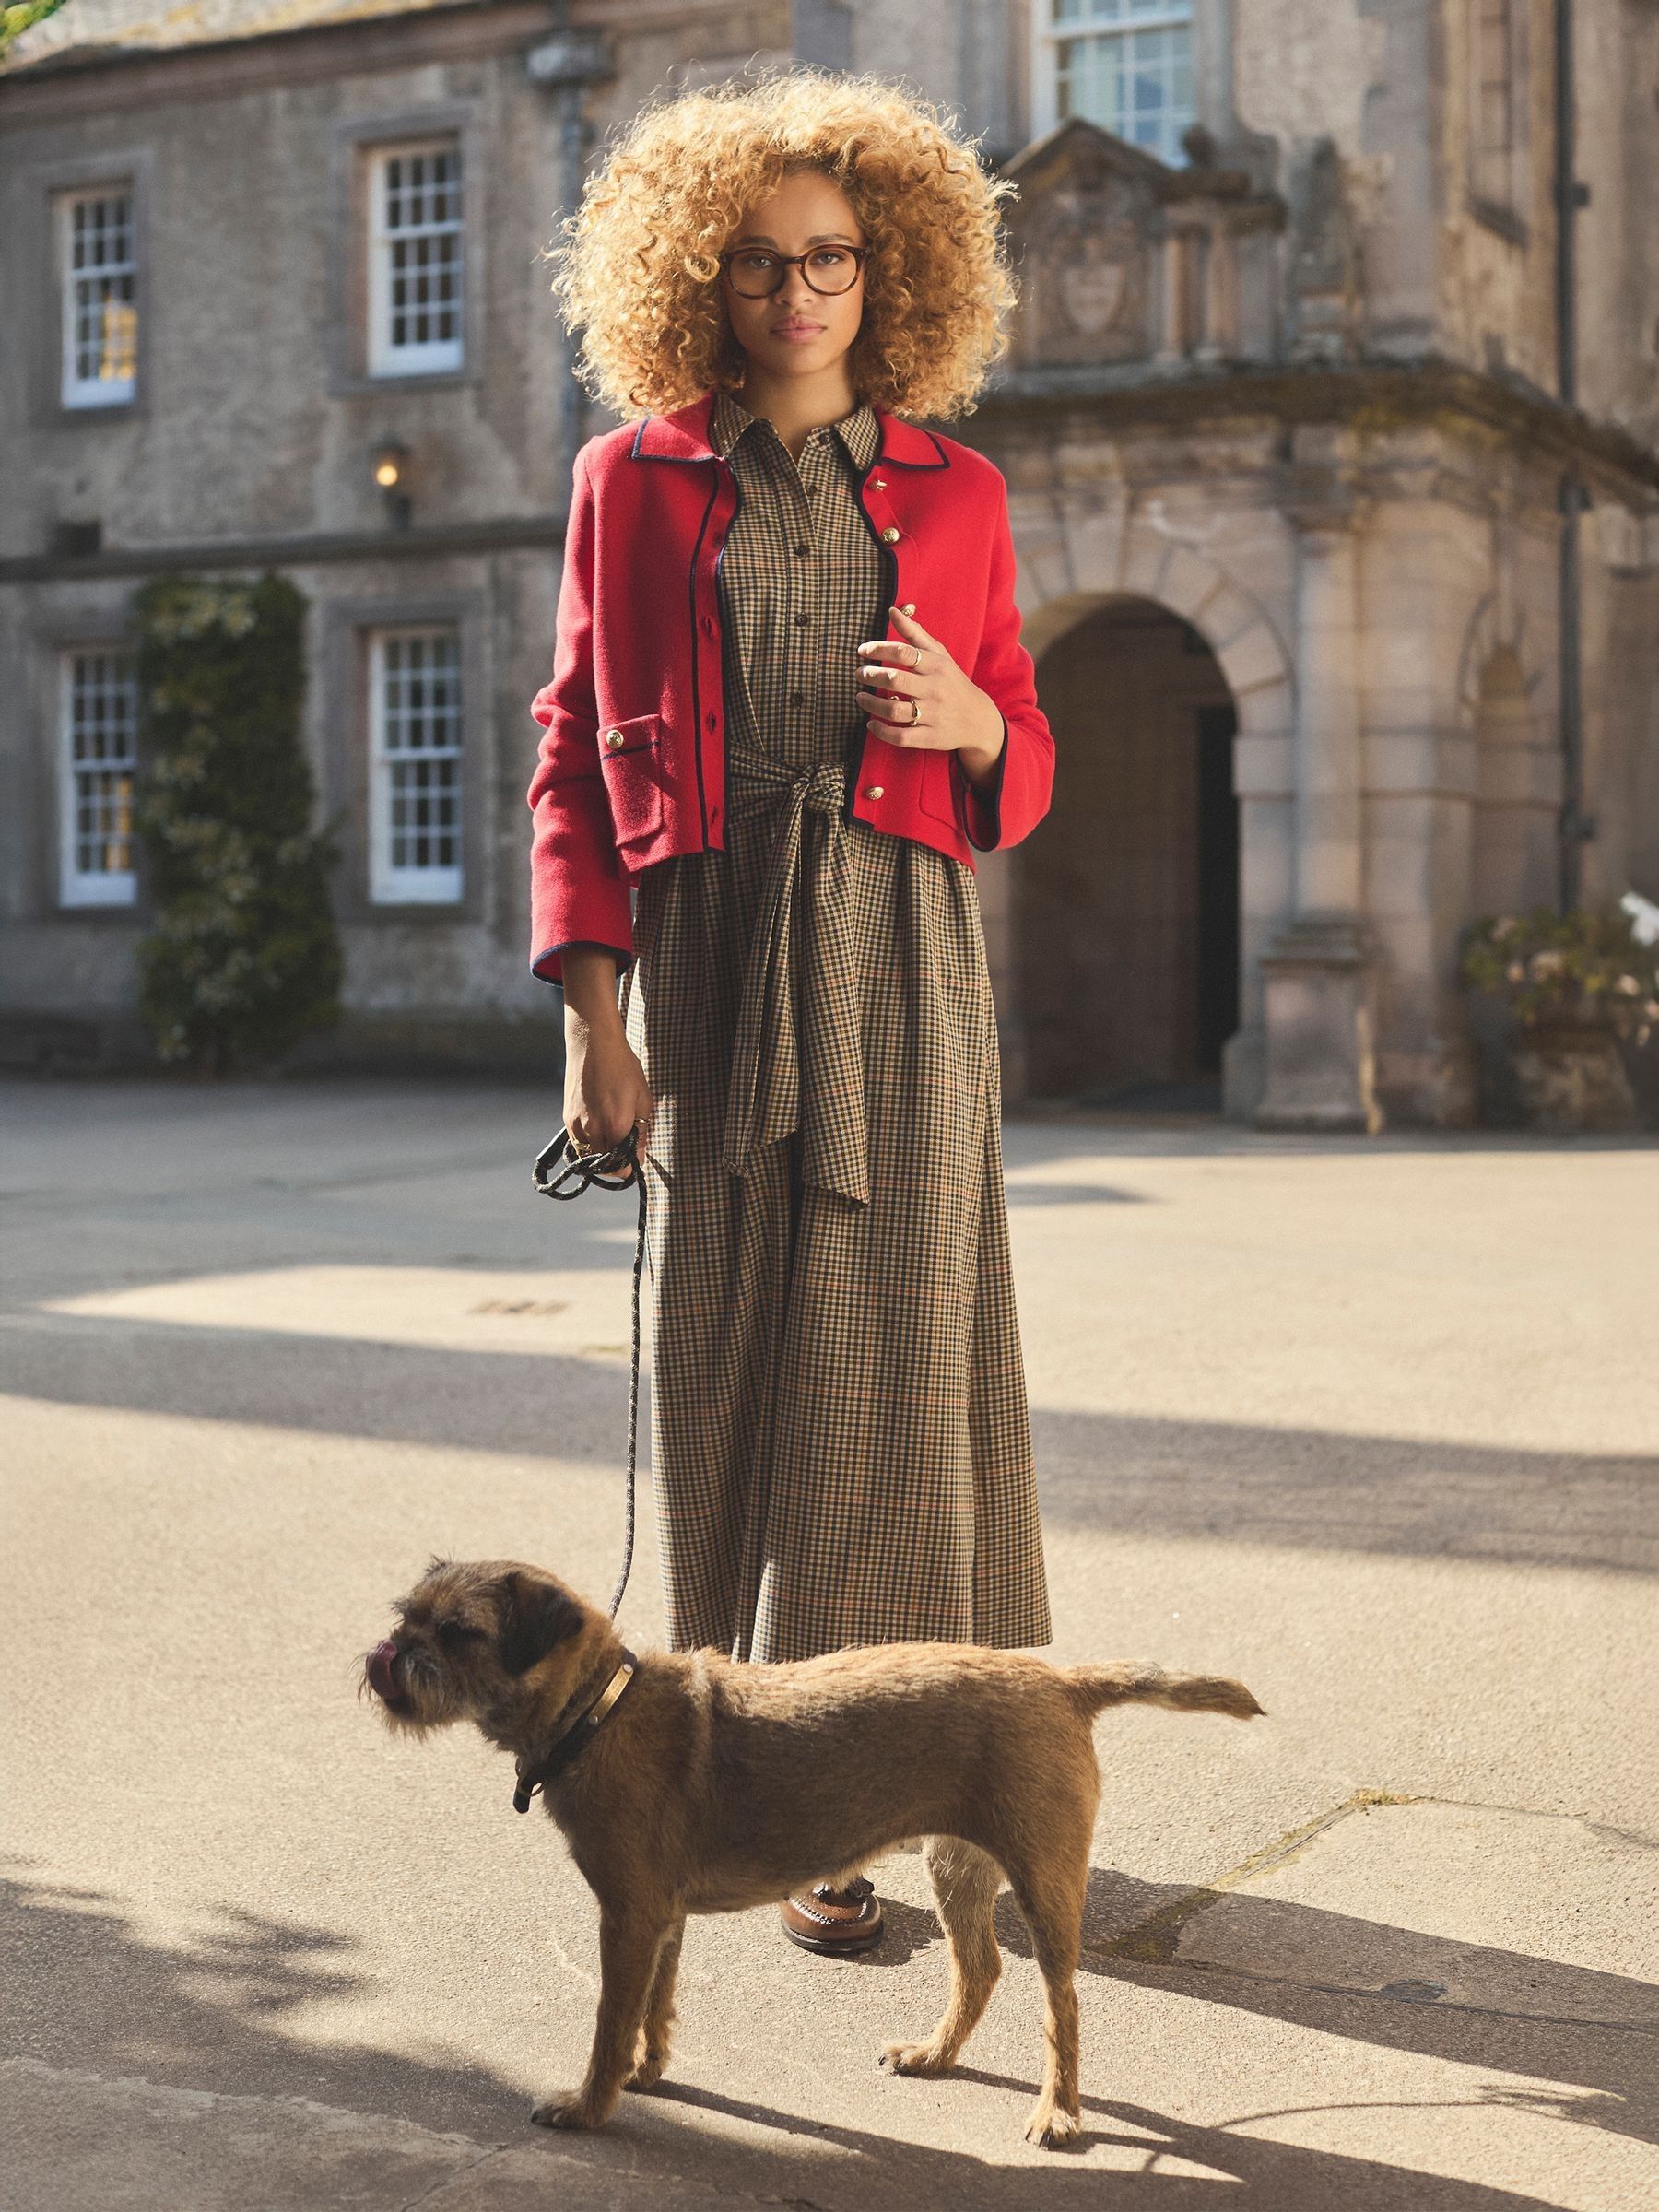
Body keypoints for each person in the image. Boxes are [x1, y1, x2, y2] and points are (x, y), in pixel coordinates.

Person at [528, 67, 1055, 1957]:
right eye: (754, 260)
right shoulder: (633, 483)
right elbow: (577, 764)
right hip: (718, 962)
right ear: (697, 277)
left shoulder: (962, 490)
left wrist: (980, 728)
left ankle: (923, 1800)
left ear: (887, 268)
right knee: (736, 1383)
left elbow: (1027, 738)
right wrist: (598, 1026)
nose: (798, 289)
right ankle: (768, 1781)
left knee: (902, 1396)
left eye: (830, 255)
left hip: (909, 971)